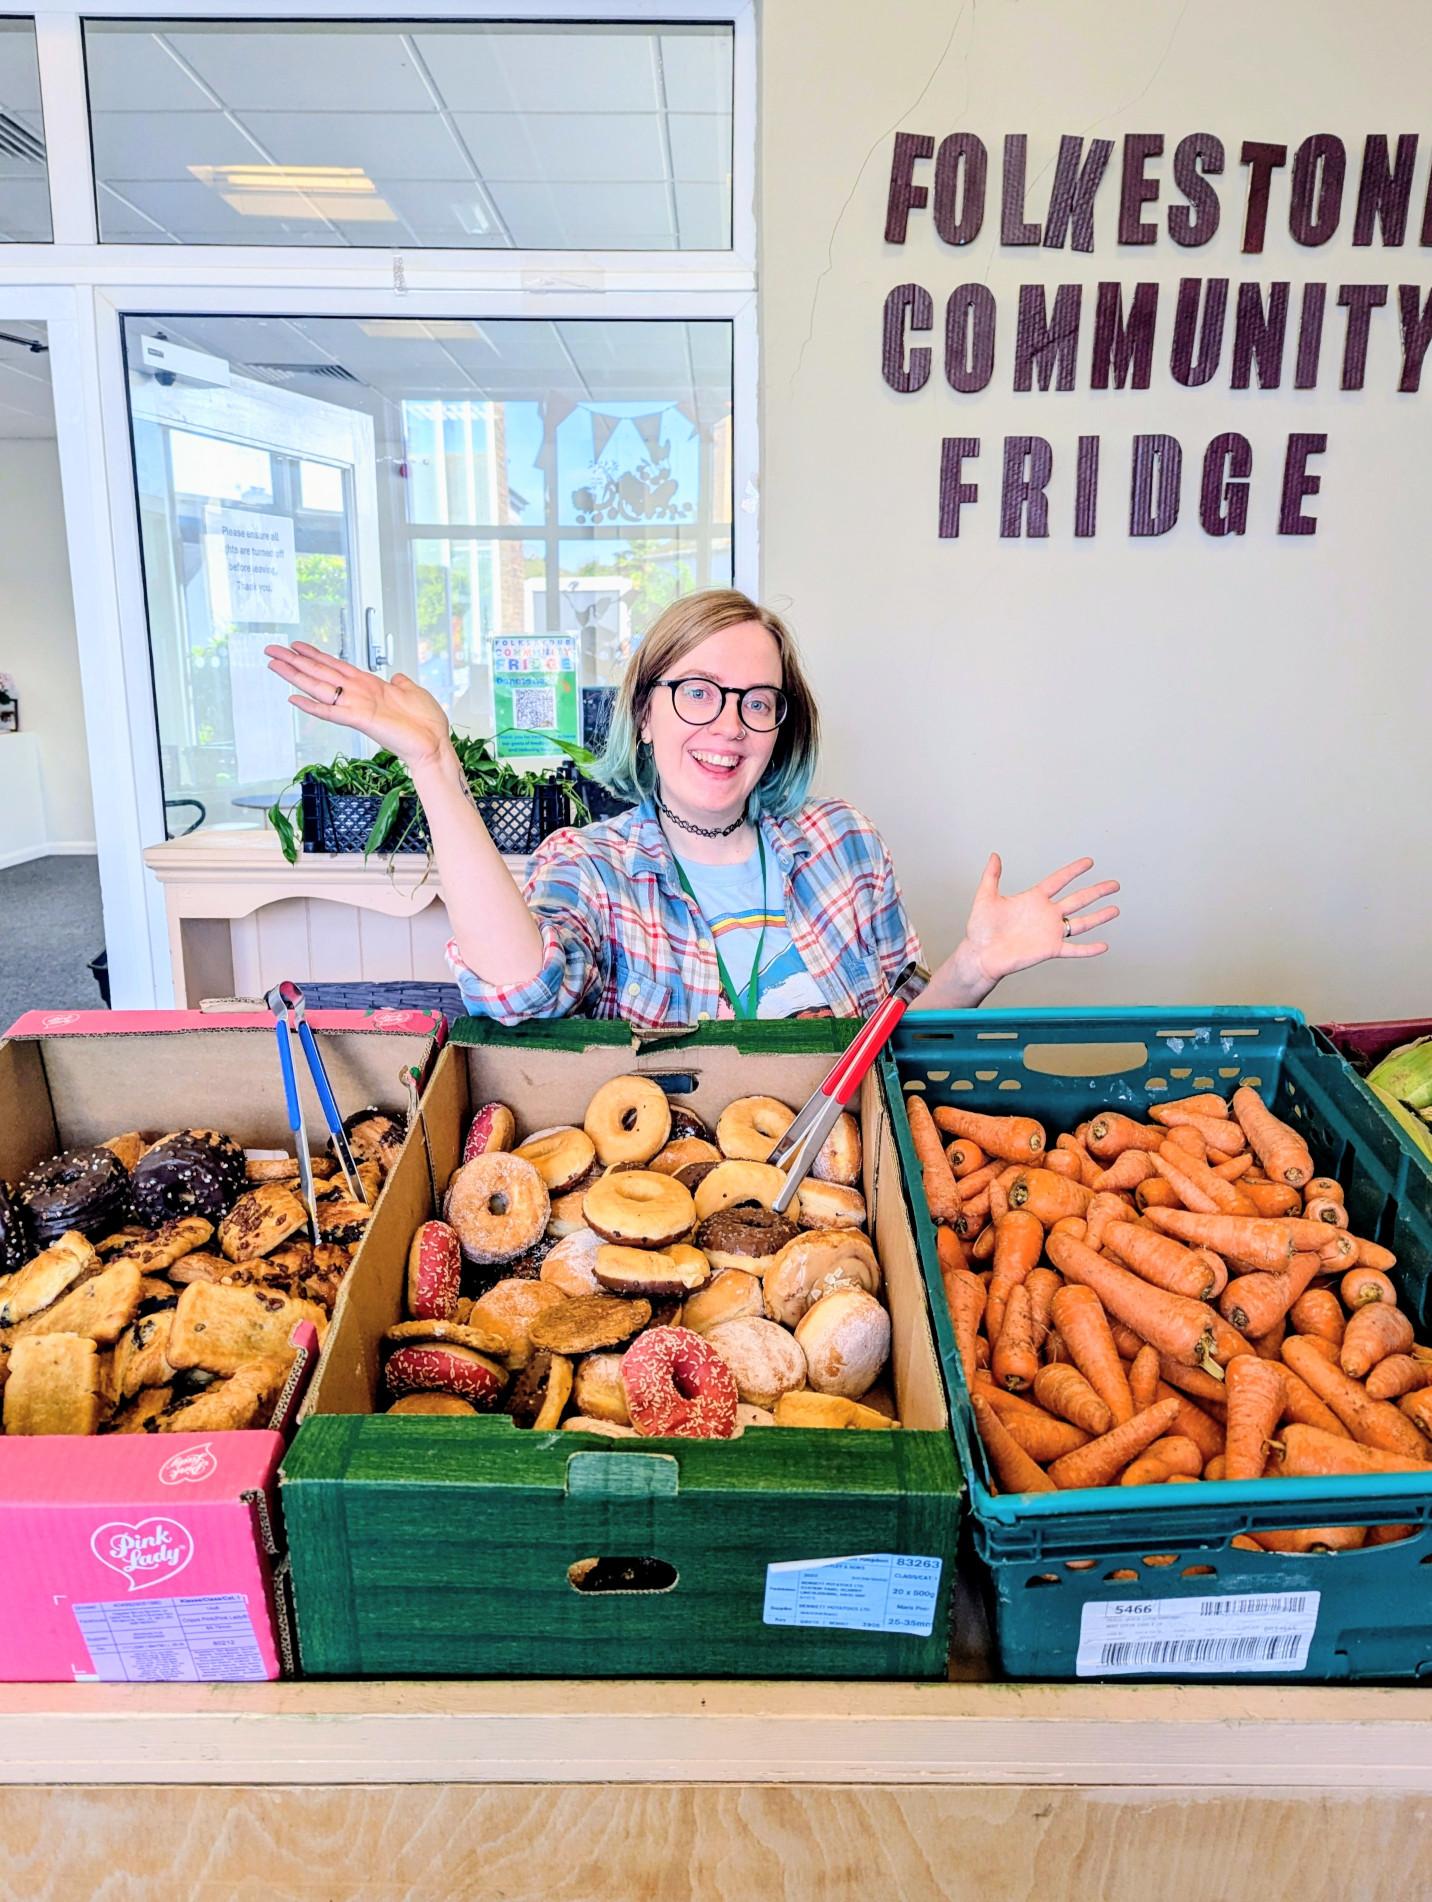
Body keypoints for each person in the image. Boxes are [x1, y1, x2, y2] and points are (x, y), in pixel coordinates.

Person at [266, 589, 1118, 1026]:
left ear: (782, 725)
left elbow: (891, 1043)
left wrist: (973, 967)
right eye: (698, 693)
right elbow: (520, 993)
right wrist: (433, 763)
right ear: (644, 711)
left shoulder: (844, 842)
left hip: (848, 1197)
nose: (729, 726)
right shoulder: (591, 864)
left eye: (757, 700)